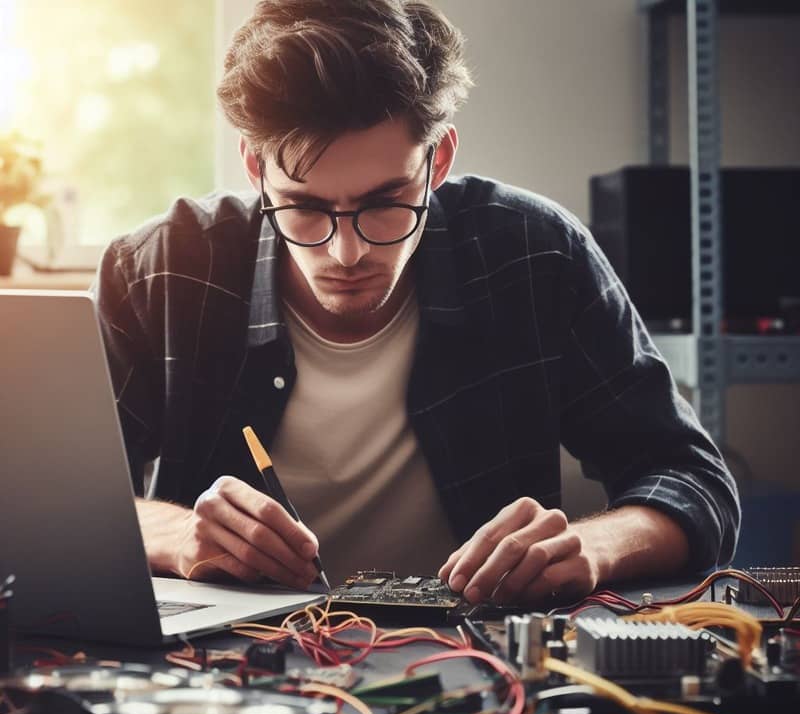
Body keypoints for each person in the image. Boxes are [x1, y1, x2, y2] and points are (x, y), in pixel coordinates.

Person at [95, 0, 739, 606]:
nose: (345, 253)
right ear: (255, 167)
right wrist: (175, 537)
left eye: (383, 203)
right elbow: (39, 501)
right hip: (221, 683)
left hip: (481, 671)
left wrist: (594, 546)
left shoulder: (535, 254)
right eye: (306, 207)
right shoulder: (161, 270)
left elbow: (695, 481)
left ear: (438, 160)